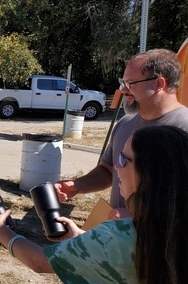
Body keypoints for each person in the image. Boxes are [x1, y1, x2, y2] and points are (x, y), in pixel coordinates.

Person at [0, 125, 188, 283]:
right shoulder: (166, 229)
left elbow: (39, 261)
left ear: (148, 175)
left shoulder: (119, 236)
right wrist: (81, 238)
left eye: (123, 160)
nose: (115, 166)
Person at [55, 48, 188, 218]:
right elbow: (109, 170)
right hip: (120, 240)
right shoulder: (125, 124)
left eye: (130, 84)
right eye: (122, 83)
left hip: (160, 244)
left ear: (159, 84)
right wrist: (77, 185)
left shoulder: (184, 129)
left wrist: (137, 215)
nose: (123, 90)